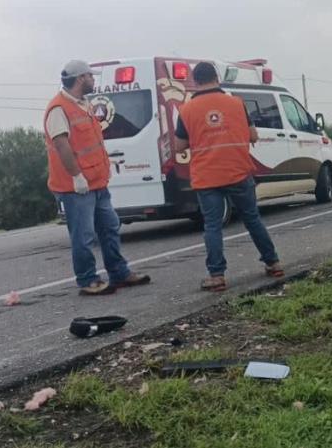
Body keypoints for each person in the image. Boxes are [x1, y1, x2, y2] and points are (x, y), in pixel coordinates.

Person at [44, 60, 151, 295]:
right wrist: (77, 177)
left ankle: (119, 273)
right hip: (76, 186)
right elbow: (61, 145)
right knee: (83, 236)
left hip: (97, 183)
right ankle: (87, 279)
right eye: (90, 77)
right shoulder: (59, 108)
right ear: (80, 78)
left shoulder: (84, 104)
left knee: (110, 228)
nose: (93, 80)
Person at [174, 62, 283, 292]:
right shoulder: (236, 103)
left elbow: (179, 146)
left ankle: (217, 276)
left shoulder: (186, 110)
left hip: (207, 177)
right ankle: (273, 262)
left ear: (195, 81)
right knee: (252, 219)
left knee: (212, 226)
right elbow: (253, 135)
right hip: (238, 171)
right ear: (216, 77)